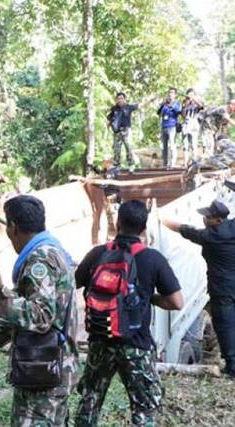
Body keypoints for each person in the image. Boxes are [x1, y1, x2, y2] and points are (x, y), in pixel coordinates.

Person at [0, 195, 79, 426]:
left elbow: (41, 316)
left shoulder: (41, 258)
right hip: (51, 366)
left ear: (12, 227)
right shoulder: (52, 250)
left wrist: (0, 290)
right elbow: (38, 306)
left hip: (45, 370)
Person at [74, 200, 184, 426]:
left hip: (100, 341)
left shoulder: (97, 254)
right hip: (136, 345)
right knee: (144, 406)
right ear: (144, 228)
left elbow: (73, 283)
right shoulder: (153, 258)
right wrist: (149, 298)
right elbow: (176, 302)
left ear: (118, 223)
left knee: (90, 399)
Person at [161, 199, 235, 377]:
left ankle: (232, 367)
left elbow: (183, 229)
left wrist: (159, 218)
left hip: (222, 289)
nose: (204, 220)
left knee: (225, 326)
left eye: (207, 217)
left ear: (218, 220)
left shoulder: (211, 237)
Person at [107, 92, 139, 168]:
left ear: (124, 99)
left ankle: (131, 164)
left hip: (126, 130)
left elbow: (139, 105)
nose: (120, 100)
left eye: (121, 98)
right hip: (117, 131)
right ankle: (117, 165)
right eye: (118, 98)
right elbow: (110, 117)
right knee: (116, 148)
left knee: (128, 147)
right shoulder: (114, 108)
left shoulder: (128, 107)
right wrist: (108, 124)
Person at [157, 87, 183, 168]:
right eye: (169, 92)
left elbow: (178, 111)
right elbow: (158, 113)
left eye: (172, 93)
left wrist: (171, 105)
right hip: (164, 126)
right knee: (164, 146)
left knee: (172, 145)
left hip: (172, 126)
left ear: (175, 95)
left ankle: (172, 163)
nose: (170, 94)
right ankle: (165, 163)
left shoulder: (177, 103)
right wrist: (162, 104)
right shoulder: (165, 104)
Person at [181, 88, 204, 164]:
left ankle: (194, 161)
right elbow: (183, 115)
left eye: (191, 94)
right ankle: (185, 162)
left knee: (194, 143)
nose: (190, 96)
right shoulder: (185, 102)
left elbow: (202, 107)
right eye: (189, 94)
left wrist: (194, 99)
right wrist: (185, 106)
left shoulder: (197, 102)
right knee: (185, 144)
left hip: (194, 123)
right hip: (186, 123)